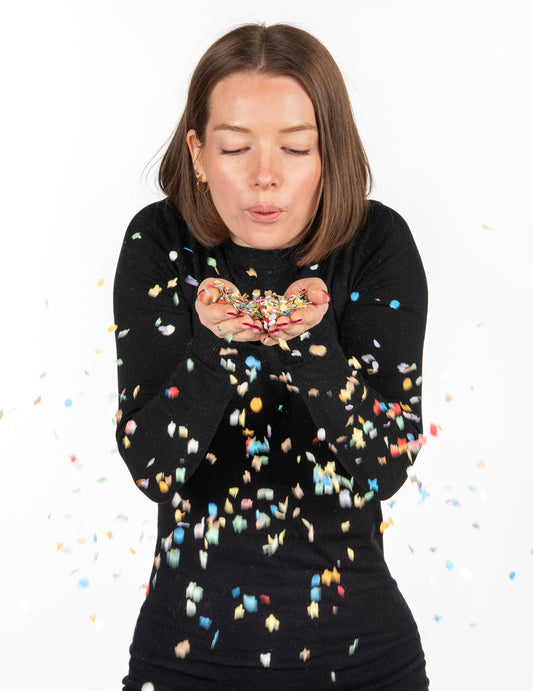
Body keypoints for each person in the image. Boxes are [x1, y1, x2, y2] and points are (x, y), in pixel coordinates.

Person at [114, 22, 429, 691]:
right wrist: (214, 350)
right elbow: (153, 467)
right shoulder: (159, 241)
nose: (265, 177)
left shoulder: (376, 243)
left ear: (329, 154)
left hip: (364, 664)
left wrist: (311, 347)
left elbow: (385, 466)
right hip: (184, 662)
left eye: (295, 147)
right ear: (198, 153)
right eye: (235, 147)